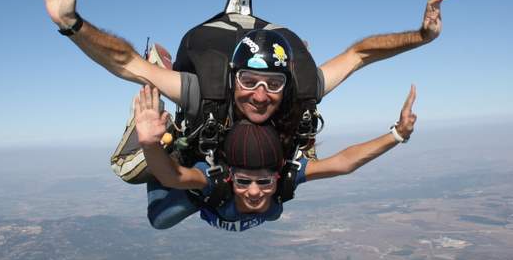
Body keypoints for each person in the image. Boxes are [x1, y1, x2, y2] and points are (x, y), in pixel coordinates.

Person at [35, 0, 447, 107]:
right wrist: (71, 23)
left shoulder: (299, 88)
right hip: (204, 108)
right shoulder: (207, 92)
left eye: (272, 83)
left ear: (286, 82)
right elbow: (125, 63)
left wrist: (422, 37)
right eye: (250, 81)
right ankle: (166, 67)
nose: (261, 94)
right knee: (154, 81)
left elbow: (360, 54)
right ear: (233, 78)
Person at [135, 83, 418, 232]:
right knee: (159, 219)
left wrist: (397, 135)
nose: (255, 192)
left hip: (225, 195)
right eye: (244, 181)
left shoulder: (287, 176)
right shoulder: (213, 181)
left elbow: (344, 163)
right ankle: (169, 143)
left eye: (264, 182)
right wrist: (150, 145)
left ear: (278, 174)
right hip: (205, 196)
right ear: (231, 176)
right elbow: (173, 176)